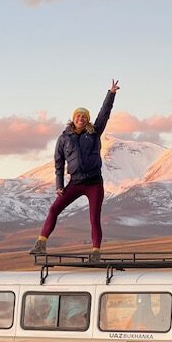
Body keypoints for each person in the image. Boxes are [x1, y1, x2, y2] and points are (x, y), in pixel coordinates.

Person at [30, 79, 120, 261]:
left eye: (84, 116)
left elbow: (104, 113)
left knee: (94, 218)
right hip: (75, 183)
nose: (81, 118)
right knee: (54, 209)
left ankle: (95, 253)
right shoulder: (64, 138)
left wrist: (111, 94)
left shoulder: (94, 132)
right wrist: (59, 185)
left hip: (94, 183)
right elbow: (58, 162)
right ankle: (41, 244)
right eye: (78, 116)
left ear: (87, 119)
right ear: (73, 118)